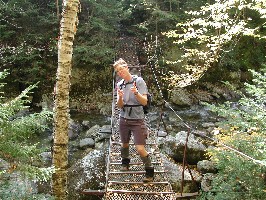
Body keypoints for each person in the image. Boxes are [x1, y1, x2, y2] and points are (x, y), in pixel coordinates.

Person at [113, 58, 154, 183]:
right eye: (118, 71)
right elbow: (119, 106)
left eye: (122, 69)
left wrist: (136, 93)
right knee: (124, 143)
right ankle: (125, 162)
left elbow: (144, 102)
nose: (120, 73)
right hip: (124, 118)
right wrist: (120, 97)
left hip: (137, 120)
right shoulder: (119, 85)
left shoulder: (139, 81)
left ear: (127, 68)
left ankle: (149, 171)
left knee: (140, 148)